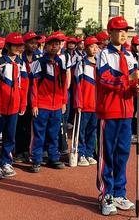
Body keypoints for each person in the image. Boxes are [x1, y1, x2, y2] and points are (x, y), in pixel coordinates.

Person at [96, 16, 139, 216]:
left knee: (123, 153)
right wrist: (129, 79)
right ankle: (106, 194)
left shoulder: (131, 56)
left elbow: (134, 80)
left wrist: (138, 87)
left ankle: (119, 192)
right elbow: (104, 79)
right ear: (110, 33)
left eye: (126, 30)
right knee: (107, 153)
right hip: (109, 110)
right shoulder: (104, 54)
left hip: (127, 110)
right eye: (119, 30)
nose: (123, 34)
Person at [0, 32, 29, 180]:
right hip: (0, 107)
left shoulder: (21, 63)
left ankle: (6, 161)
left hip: (14, 107)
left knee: (10, 136)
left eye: (20, 45)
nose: (18, 48)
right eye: (15, 45)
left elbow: (24, 84)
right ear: (8, 46)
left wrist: (23, 103)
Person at [29, 31, 68, 172]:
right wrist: (34, 104)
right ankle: (36, 160)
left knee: (54, 133)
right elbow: (33, 85)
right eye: (51, 44)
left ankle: (53, 158)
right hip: (42, 105)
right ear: (45, 46)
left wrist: (64, 101)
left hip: (57, 105)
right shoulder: (38, 63)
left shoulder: (61, 62)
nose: (54, 47)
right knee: (39, 134)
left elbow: (64, 83)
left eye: (57, 44)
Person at [15, 31, 42, 162]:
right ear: (24, 44)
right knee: (21, 124)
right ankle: (20, 151)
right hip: (22, 95)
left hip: (35, 95)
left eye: (36, 43)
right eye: (31, 43)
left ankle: (32, 151)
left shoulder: (39, 58)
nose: (34, 45)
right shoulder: (19, 59)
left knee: (33, 124)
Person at [72, 36, 98, 166]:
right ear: (86, 48)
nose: (95, 49)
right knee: (80, 130)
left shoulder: (100, 64)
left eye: (96, 46)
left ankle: (89, 153)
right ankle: (80, 153)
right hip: (84, 104)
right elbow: (77, 86)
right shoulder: (81, 64)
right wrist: (78, 104)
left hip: (96, 105)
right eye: (92, 46)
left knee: (92, 131)